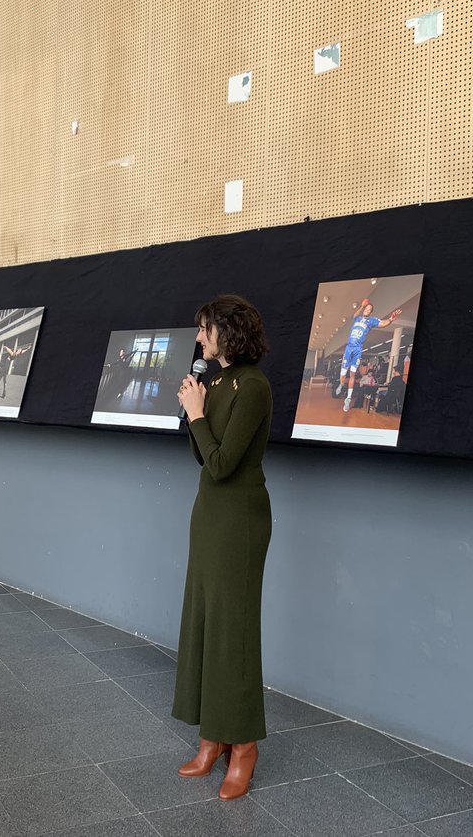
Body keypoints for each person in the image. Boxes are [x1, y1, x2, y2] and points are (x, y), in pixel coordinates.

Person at [174, 294, 273, 801]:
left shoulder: (253, 387)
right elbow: (202, 456)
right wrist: (196, 408)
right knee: (206, 621)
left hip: (240, 521)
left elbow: (223, 464)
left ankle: (245, 747)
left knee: (233, 632)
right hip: (209, 515)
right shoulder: (218, 382)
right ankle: (211, 737)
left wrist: (196, 413)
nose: (198, 338)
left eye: (204, 329)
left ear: (227, 331)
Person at [334, 301, 403, 412]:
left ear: (371, 312)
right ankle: (341, 385)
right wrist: (361, 306)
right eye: (366, 308)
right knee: (343, 373)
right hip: (349, 348)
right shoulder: (357, 319)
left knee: (352, 373)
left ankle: (348, 398)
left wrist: (390, 319)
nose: (367, 309)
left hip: (357, 350)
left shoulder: (371, 321)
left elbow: (383, 323)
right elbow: (354, 315)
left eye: (369, 309)